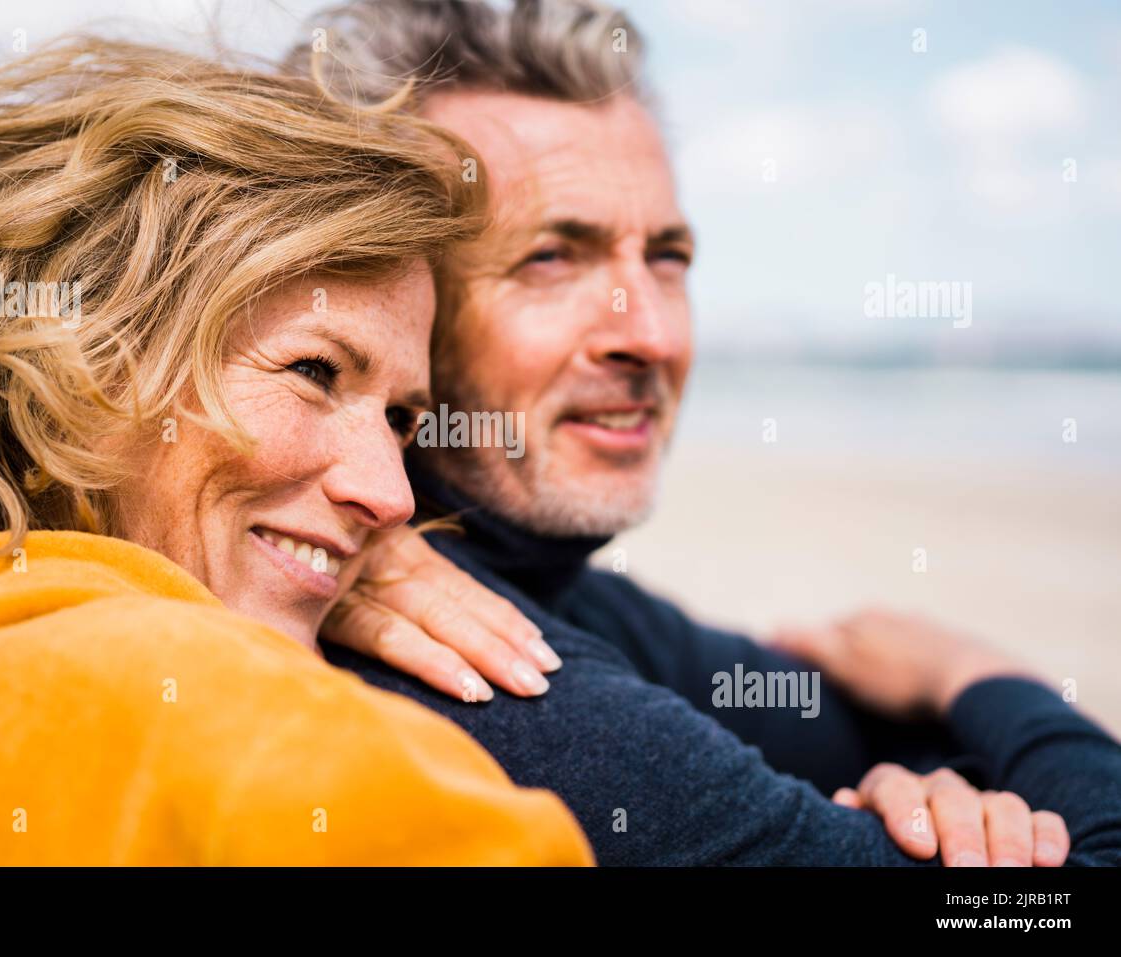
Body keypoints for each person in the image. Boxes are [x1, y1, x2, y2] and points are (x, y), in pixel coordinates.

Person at [286, 0, 1121, 865]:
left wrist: (935, 795)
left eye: (666, 257)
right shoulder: (483, 675)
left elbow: (846, 731)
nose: (649, 334)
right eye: (550, 258)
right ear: (388, 297)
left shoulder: (570, 596)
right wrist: (969, 669)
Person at [0, 29, 591, 865]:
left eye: (402, 421)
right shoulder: (274, 753)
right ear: (72, 363)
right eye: (314, 370)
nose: (394, 497)